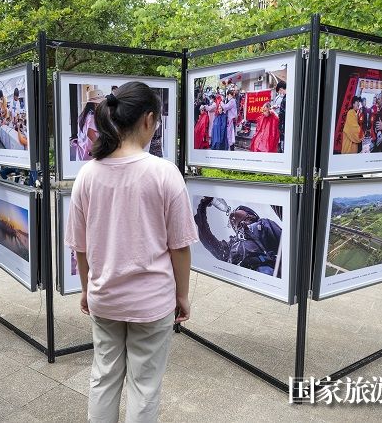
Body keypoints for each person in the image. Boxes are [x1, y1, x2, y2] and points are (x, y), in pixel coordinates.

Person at [64, 82, 198, 423]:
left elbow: (80, 248)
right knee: (145, 385)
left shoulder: (87, 175)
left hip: (104, 297)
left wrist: (85, 289)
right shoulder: (164, 173)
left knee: (104, 377)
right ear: (148, 120)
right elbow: (179, 247)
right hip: (152, 302)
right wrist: (182, 296)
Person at [194, 198, 282, 276]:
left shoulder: (261, 226)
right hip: (237, 277)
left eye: (239, 210)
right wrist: (202, 207)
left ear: (251, 215)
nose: (233, 214)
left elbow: (285, 245)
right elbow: (207, 239)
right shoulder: (231, 245)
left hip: (263, 272)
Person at [75, 89, 104, 160]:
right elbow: (90, 133)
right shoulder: (93, 117)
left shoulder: (83, 115)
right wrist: (102, 147)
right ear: (96, 104)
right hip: (90, 155)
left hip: (82, 153)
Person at [271, 80, 286, 153]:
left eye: (280, 92)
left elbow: (282, 114)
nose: (280, 93)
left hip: (283, 124)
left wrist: (274, 113)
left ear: (281, 89)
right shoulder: (284, 98)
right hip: (282, 125)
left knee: (283, 142)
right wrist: (277, 106)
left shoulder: (285, 99)